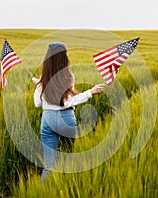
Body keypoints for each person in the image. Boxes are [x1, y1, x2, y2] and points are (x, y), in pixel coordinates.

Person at [32, 42, 105, 181]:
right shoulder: (68, 76)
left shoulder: (44, 77)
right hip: (65, 119)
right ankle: (65, 187)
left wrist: (39, 85)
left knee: (48, 165)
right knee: (68, 161)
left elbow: (37, 103)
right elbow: (67, 102)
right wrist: (90, 92)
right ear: (64, 57)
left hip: (46, 120)